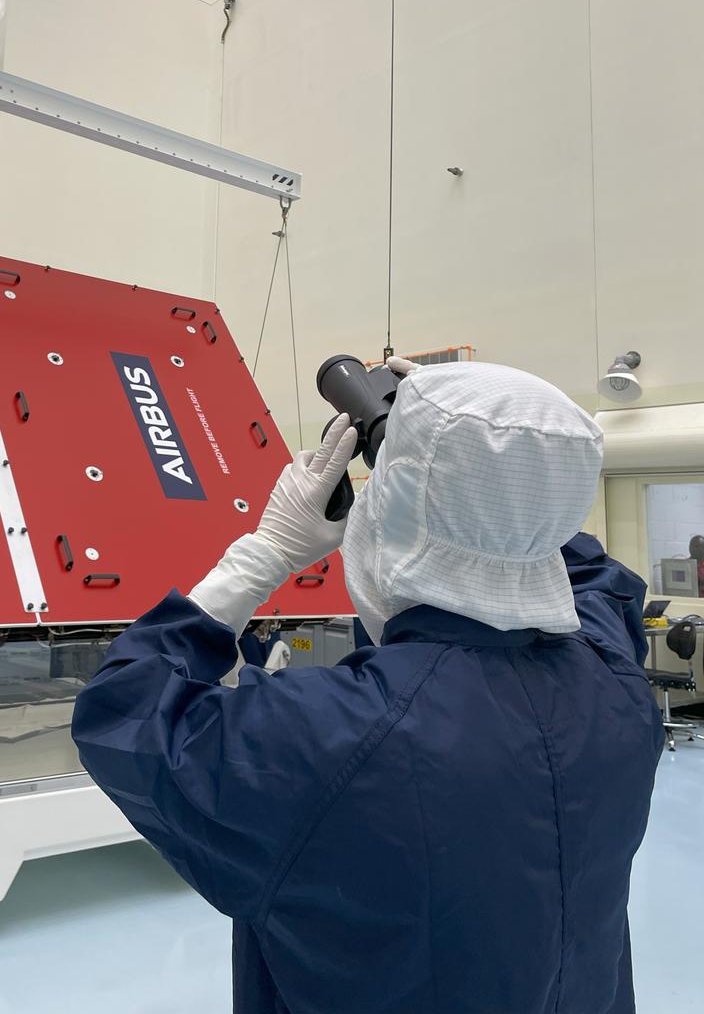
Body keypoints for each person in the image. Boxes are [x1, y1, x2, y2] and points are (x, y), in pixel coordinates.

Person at [72, 360, 663, 1014]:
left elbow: (124, 711)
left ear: (396, 506)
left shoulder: (335, 738)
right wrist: (498, 455)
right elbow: (593, 573)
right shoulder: (615, 686)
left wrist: (265, 552)